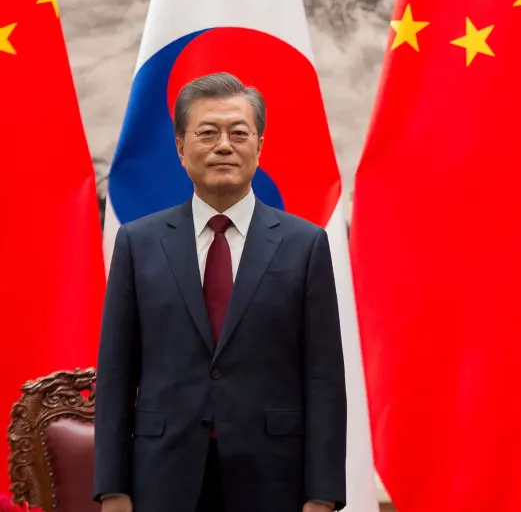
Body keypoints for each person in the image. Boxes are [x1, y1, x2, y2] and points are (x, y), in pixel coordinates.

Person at [93, 72, 347, 512]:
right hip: (162, 475)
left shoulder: (304, 244)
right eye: (208, 133)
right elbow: (116, 375)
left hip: (273, 478)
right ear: (180, 147)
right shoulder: (139, 243)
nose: (224, 145)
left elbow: (323, 379)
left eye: (239, 133)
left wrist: (323, 496)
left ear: (259, 146)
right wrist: (113, 490)